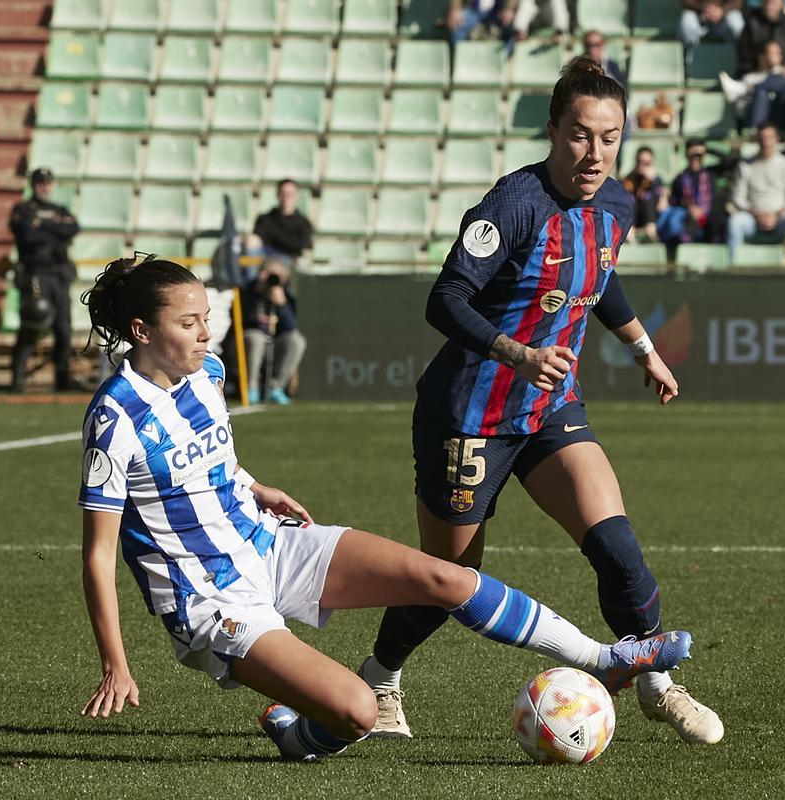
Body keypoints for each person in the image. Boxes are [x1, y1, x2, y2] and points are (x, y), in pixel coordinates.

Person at [76, 255, 694, 762]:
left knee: (444, 578)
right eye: (189, 323)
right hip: (209, 597)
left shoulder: (207, 372)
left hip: (266, 541)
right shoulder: (115, 418)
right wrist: (115, 665)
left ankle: (603, 660)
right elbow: (100, 554)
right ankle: (296, 733)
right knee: (358, 712)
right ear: (141, 331)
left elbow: (205, 456)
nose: (206, 333)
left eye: (206, 317)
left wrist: (253, 486)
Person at [354, 57, 725, 747]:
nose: (595, 152)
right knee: (450, 580)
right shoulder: (513, 204)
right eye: (581, 135)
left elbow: (599, 276)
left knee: (619, 551)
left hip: (550, 409)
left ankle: (656, 686)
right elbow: (446, 298)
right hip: (469, 413)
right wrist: (518, 353)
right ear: (555, 130)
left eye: (609, 137)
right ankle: (379, 676)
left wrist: (644, 349)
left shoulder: (617, 203)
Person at [9, 167, 83, 392]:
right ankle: (17, 376)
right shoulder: (23, 209)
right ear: (33, 185)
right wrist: (54, 227)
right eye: (40, 182)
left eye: (48, 182)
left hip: (59, 275)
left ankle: (62, 378)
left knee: (63, 329)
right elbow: (27, 236)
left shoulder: (58, 209)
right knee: (33, 324)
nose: (45, 186)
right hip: (35, 274)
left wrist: (44, 224)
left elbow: (72, 228)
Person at [726, 124, 785, 259]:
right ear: (757, 140)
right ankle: (733, 268)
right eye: (762, 138)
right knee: (734, 223)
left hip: (780, 218)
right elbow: (738, 197)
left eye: (769, 137)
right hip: (752, 219)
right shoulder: (745, 165)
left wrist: (776, 215)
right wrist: (756, 214)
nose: (766, 142)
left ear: (776, 139)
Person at [241, 257, 306, 405]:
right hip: (248, 344)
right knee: (256, 337)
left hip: (274, 345)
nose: (273, 280)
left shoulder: (286, 296)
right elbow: (239, 319)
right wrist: (257, 291)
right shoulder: (247, 291)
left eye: (278, 276)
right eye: (270, 274)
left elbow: (290, 327)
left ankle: (276, 388)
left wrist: (281, 304)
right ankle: (251, 388)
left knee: (297, 340)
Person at [660, 139, 726, 261]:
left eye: (699, 156)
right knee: (676, 219)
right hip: (689, 222)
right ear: (686, 155)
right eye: (692, 155)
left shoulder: (711, 173)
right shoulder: (680, 179)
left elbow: (732, 161)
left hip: (711, 222)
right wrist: (689, 208)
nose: (696, 158)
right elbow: (675, 202)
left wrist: (708, 150)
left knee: (719, 218)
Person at [719, 40, 785, 130]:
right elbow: (741, 111)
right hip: (760, 121)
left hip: (783, 119)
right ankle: (756, 134)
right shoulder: (750, 78)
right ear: (762, 57)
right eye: (774, 53)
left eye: (779, 53)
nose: (780, 56)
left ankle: (742, 89)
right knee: (760, 92)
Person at [737, 0, 785, 76]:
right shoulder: (752, 23)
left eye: (773, 3)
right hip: (757, 71)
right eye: (766, 2)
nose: (769, 7)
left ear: (781, 3)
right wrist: (762, 61)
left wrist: (780, 61)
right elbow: (744, 53)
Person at [252, 179, 313, 262]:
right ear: (277, 194)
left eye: (290, 194)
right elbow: (256, 243)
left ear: (296, 195)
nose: (286, 197)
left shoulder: (303, 223)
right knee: (243, 259)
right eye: (283, 193)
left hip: (287, 263)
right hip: (262, 260)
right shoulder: (264, 219)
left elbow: (304, 250)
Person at [679, 0, 746, 67]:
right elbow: (685, 2)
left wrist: (722, 11)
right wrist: (703, 8)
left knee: (735, 21)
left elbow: (738, 2)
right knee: (687, 20)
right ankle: (687, 63)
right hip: (699, 17)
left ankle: (741, 63)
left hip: (724, 19)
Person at [621, 146, 668, 241]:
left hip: (652, 219)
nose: (642, 166)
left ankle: (650, 233)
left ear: (652, 164)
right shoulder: (628, 180)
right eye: (639, 162)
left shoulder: (657, 181)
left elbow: (662, 207)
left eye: (647, 163)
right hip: (633, 221)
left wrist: (653, 182)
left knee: (648, 197)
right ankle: (630, 235)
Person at [445, 0, 517, 51]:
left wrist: (508, 9)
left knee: (509, 26)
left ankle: (504, 59)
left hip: (498, 11)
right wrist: (455, 8)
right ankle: (459, 57)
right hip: (473, 10)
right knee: (457, 23)